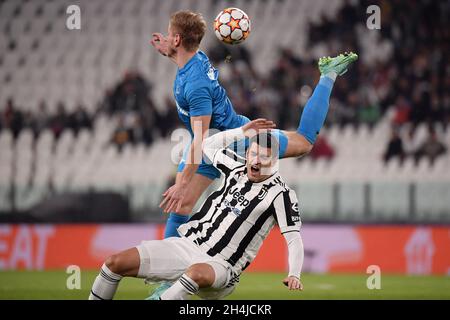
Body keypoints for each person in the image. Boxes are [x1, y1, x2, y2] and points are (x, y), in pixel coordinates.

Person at [149, 9, 357, 298]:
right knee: (182, 205)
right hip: (222, 138)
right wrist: (168, 51)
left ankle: (328, 74)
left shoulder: (195, 85)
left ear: (176, 38)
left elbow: (200, 139)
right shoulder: (193, 59)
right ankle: (167, 276)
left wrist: (182, 181)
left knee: (304, 142)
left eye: (171, 38)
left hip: (235, 141)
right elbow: (184, 57)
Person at [89, 119, 304, 300]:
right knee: (114, 263)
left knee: (194, 273)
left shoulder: (281, 194)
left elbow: (293, 239)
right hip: (187, 245)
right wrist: (241, 131)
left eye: (264, 157)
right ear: (247, 153)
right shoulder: (235, 167)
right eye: (253, 154)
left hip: (222, 266)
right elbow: (208, 146)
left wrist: (294, 273)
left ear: (275, 160)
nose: (256, 161)